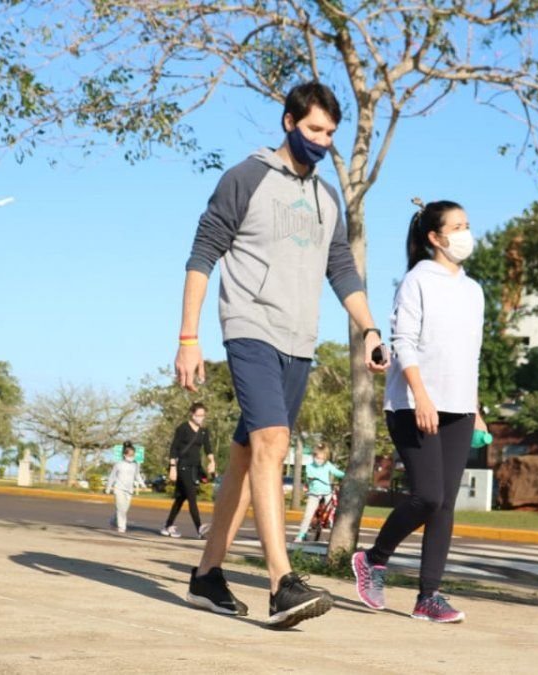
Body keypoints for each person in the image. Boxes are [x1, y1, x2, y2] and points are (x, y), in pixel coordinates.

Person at [175, 81, 389, 629]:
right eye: (314, 129)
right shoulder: (246, 177)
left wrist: (368, 329)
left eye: (331, 133)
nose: (322, 140)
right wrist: (188, 338)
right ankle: (281, 584)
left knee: (247, 455)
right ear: (289, 122)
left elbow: (342, 269)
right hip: (251, 327)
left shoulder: (326, 197)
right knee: (273, 441)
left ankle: (207, 576)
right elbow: (203, 254)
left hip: (300, 342)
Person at [351, 199, 486, 624]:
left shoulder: (474, 289)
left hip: (459, 407)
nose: (466, 233)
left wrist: (475, 408)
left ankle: (429, 597)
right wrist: (422, 396)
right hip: (413, 404)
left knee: (444, 505)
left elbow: (471, 355)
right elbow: (404, 342)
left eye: (467, 224)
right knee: (428, 496)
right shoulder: (417, 280)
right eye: (457, 226)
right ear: (434, 237)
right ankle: (374, 558)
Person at [162, 402, 216, 538]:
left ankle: (167, 526)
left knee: (181, 498)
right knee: (192, 497)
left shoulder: (204, 431)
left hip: (195, 468)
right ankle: (200, 528)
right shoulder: (183, 428)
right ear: (192, 415)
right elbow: (174, 448)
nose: (201, 418)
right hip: (183, 466)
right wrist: (172, 468)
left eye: (203, 415)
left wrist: (212, 461)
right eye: (198, 415)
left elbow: (208, 448)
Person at [294, 444, 344, 543]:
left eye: (322, 459)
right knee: (308, 515)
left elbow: (336, 472)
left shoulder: (327, 465)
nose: (319, 461)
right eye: (317, 458)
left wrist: (346, 475)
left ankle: (334, 535)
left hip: (327, 492)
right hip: (314, 494)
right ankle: (301, 534)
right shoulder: (309, 466)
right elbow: (309, 477)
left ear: (326, 458)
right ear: (313, 456)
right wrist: (310, 479)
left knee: (332, 513)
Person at [105, 441, 146, 533]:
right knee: (121, 509)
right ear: (125, 455)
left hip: (129, 490)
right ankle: (122, 527)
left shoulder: (135, 464)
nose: (131, 456)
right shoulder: (118, 464)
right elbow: (112, 476)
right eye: (130, 455)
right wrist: (108, 488)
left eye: (133, 455)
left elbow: (137, 475)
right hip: (118, 489)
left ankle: (112, 521)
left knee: (124, 509)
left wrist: (142, 484)